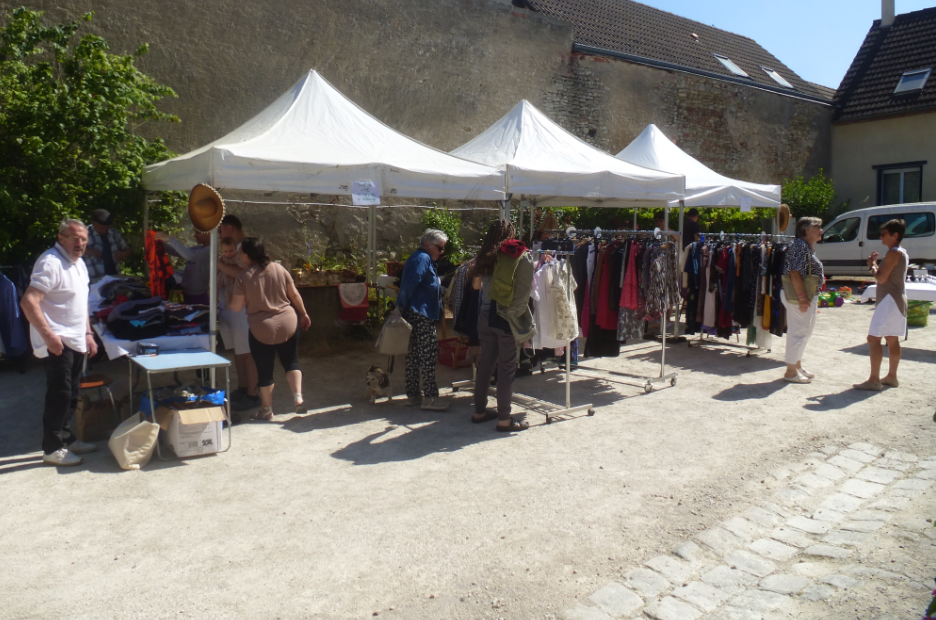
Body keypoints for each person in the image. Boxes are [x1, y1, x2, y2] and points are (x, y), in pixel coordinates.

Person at [20, 219, 99, 466]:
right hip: (56, 340)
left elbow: (81, 301)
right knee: (60, 393)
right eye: (74, 238)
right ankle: (52, 449)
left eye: (84, 239)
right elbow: (28, 301)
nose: (80, 243)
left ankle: (66, 438)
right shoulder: (50, 262)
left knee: (72, 392)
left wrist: (87, 333)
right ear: (61, 237)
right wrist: (49, 336)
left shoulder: (79, 264)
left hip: (76, 339)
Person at [228, 238, 311, 420]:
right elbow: (294, 294)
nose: (238, 254)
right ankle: (298, 398)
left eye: (240, 252)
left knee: (264, 370)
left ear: (247, 255)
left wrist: (229, 298)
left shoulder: (243, 276)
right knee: (291, 361)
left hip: (261, 329)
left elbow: (235, 307)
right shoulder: (279, 268)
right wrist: (304, 314)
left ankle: (267, 411)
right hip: (288, 322)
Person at [468, 219, 536, 432]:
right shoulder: (515, 255)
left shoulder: (484, 258)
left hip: (485, 315)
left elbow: (476, 286)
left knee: (485, 366)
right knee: (506, 369)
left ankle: (479, 411)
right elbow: (524, 291)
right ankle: (505, 419)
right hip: (504, 316)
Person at [396, 229, 451, 411]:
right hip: (422, 312)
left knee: (413, 355)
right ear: (428, 244)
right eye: (440, 248)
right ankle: (430, 398)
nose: (442, 252)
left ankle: (413, 395)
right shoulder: (423, 258)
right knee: (428, 355)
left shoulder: (419, 257)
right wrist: (401, 305)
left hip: (414, 311)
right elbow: (411, 282)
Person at [854, 219, 908, 391]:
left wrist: (872, 266)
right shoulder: (901, 252)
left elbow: (881, 278)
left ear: (895, 235)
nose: (881, 237)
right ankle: (891, 377)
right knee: (892, 339)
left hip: (889, 301)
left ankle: (874, 380)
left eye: (884, 234)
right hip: (895, 299)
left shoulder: (893, 253)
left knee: (873, 339)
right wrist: (876, 265)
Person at [216, 215, 260, 412]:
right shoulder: (229, 249)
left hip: (244, 308)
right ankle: (243, 388)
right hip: (230, 305)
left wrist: (221, 266)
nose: (219, 236)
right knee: (238, 351)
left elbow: (246, 274)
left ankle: (253, 394)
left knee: (248, 352)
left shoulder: (247, 247)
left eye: (220, 231)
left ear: (230, 229)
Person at [780, 216, 824, 383]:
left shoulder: (805, 247)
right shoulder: (800, 246)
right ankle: (791, 371)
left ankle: (796, 364)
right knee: (799, 333)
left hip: (804, 296)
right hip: (799, 297)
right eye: (818, 227)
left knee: (805, 331)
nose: (821, 231)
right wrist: (802, 297)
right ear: (807, 230)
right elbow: (795, 273)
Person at [154, 231, 212, 304]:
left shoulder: (210, 250)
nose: (195, 235)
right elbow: (175, 251)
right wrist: (159, 241)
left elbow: (190, 256)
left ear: (209, 233)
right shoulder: (198, 249)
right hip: (187, 294)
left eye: (198, 233)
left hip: (199, 297)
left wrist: (170, 239)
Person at [84, 209, 131, 283]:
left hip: (115, 277)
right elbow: (71, 250)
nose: (104, 230)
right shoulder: (83, 234)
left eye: (107, 227)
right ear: (93, 223)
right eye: (101, 228)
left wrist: (123, 254)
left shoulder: (114, 234)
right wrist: (89, 251)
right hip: (94, 280)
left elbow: (127, 250)